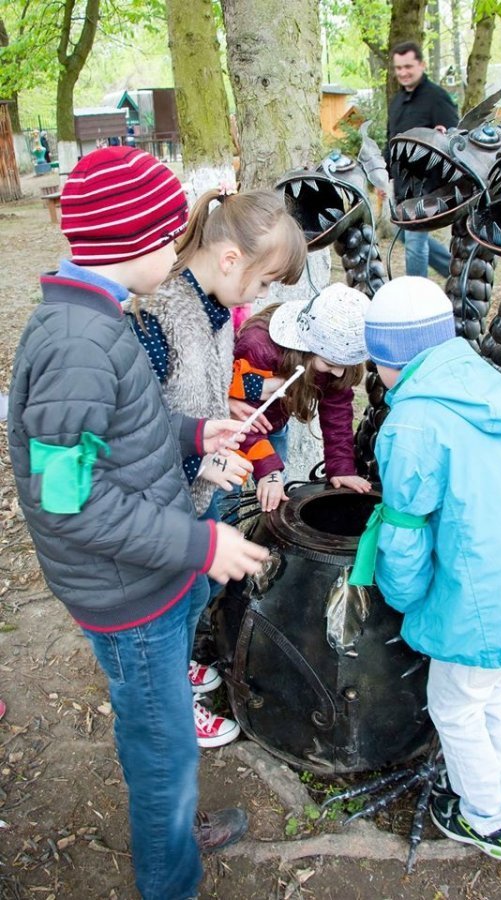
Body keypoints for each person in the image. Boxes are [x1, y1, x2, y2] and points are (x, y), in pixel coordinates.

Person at [7, 145, 270, 900]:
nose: (178, 252)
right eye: (171, 239)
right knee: (163, 754)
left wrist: (194, 436)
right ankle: (171, 880)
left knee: (166, 742)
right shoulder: (76, 344)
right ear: (138, 246)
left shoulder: (98, 320)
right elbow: (70, 499)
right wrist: (202, 541)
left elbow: (121, 425)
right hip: (128, 596)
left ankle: (175, 839)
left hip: (148, 571)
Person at [350, 277, 501, 861]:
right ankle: (492, 793)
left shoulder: (413, 424)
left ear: (392, 357)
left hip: (476, 597)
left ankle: (490, 823)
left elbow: (405, 533)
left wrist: (400, 595)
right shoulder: (484, 389)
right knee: (484, 690)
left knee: (454, 704)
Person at [128, 187, 306, 746]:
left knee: (195, 595)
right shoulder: (157, 318)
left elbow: (198, 389)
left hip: (192, 494)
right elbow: (134, 431)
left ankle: (178, 667)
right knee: (171, 607)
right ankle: (173, 703)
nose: (261, 295)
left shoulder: (220, 308)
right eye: (264, 282)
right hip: (159, 507)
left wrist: (223, 411)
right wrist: (201, 459)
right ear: (231, 259)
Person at [231, 283, 372, 512]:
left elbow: (337, 412)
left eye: (345, 366)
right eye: (330, 364)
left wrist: (342, 467)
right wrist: (268, 469)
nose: (338, 373)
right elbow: (241, 414)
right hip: (234, 426)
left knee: (275, 489)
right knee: (228, 487)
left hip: (273, 423)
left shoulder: (336, 364)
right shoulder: (259, 346)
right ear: (305, 348)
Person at [385, 41, 458, 278]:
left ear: (422, 65)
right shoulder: (397, 102)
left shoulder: (437, 97)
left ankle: (416, 300)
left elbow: (456, 137)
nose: (403, 73)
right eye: (398, 68)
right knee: (409, 237)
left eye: (408, 66)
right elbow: (391, 141)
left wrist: (444, 136)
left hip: (427, 188)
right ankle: (457, 273)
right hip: (402, 186)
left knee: (415, 243)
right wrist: (383, 176)